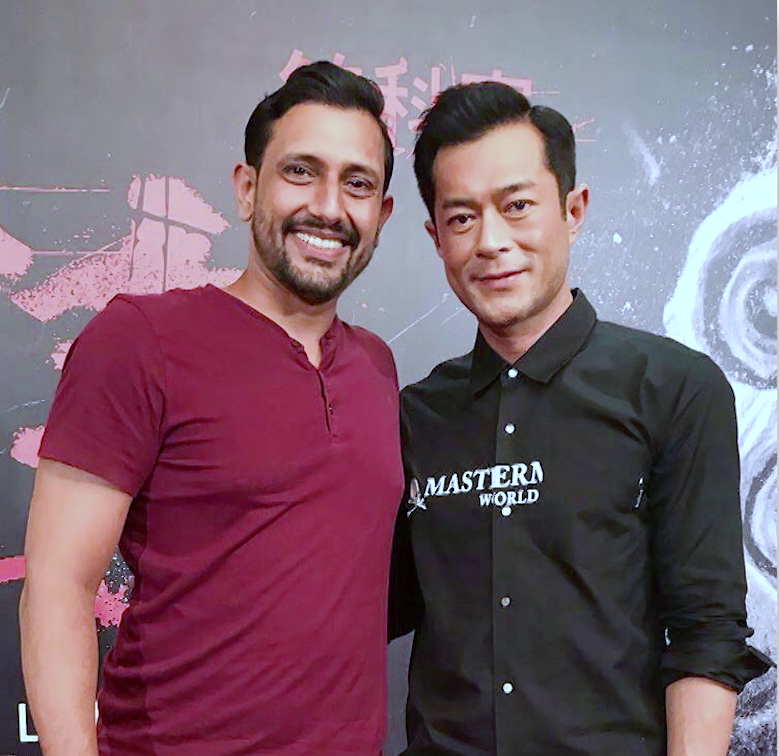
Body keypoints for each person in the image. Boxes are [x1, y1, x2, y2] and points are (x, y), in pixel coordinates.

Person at [20, 61, 403, 756]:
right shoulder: (139, 339)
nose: (328, 206)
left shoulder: (377, 367)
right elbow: (58, 587)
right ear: (247, 189)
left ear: (381, 214)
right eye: (300, 172)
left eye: (357, 183)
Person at [389, 82, 771, 756]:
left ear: (573, 210)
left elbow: (706, 630)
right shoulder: (416, 414)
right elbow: (362, 611)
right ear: (435, 238)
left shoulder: (673, 388)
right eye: (462, 218)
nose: (491, 242)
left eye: (517, 206)